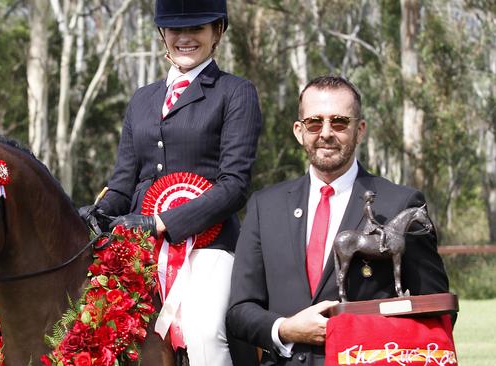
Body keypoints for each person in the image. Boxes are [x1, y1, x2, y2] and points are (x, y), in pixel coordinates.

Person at [79, 1, 262, 365]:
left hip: (209, 245)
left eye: (195, 28)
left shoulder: (235, 92)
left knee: (205, 332)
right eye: (175, 29)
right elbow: (122, 182)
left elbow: (234, 185)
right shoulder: (142, 99)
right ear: (163, 34)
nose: (184, 38)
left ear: (217, 32)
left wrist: (161, 222)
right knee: (89, 324)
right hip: (138, 246)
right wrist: (98, 213)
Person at [226, 76, 449, 366]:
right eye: (314, 123)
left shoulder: (401, 204)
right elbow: (240, 309)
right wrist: (284, 329)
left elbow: (436, 307)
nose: (326, 133)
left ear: (360, 130)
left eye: (340, 122)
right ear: (299, 131)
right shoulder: (263, 206)